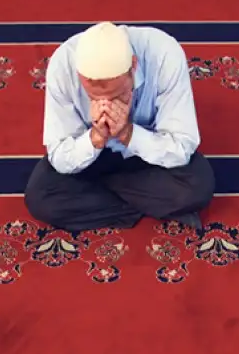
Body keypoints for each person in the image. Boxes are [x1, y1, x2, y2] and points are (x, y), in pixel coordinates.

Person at [24, 21, 215, 231]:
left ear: (133, 66)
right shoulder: (63, 65)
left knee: (198, 185)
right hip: (92, 158)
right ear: (80, 76)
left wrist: (127, 133)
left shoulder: (164, 54)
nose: (107, 107)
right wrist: (95, 138)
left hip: (147, 156)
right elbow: (60, 155)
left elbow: (181, 146)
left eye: (117, 95)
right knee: (41, 198)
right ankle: (154, 206)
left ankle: (110, 206)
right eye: (95, 98)